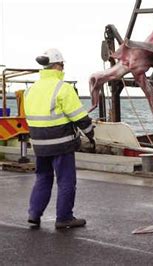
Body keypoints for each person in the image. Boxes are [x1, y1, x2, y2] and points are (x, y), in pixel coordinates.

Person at [25, 48, 95, 229]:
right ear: (56, 66)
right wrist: (90, 133)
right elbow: (78, 116)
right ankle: (64, 218)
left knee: (43, 178)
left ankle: (34, 214)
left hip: (39, 144)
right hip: (61, 143)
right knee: (66, 181)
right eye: (62, 66)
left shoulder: (30, 90)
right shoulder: (63, 88)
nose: (63, 70)